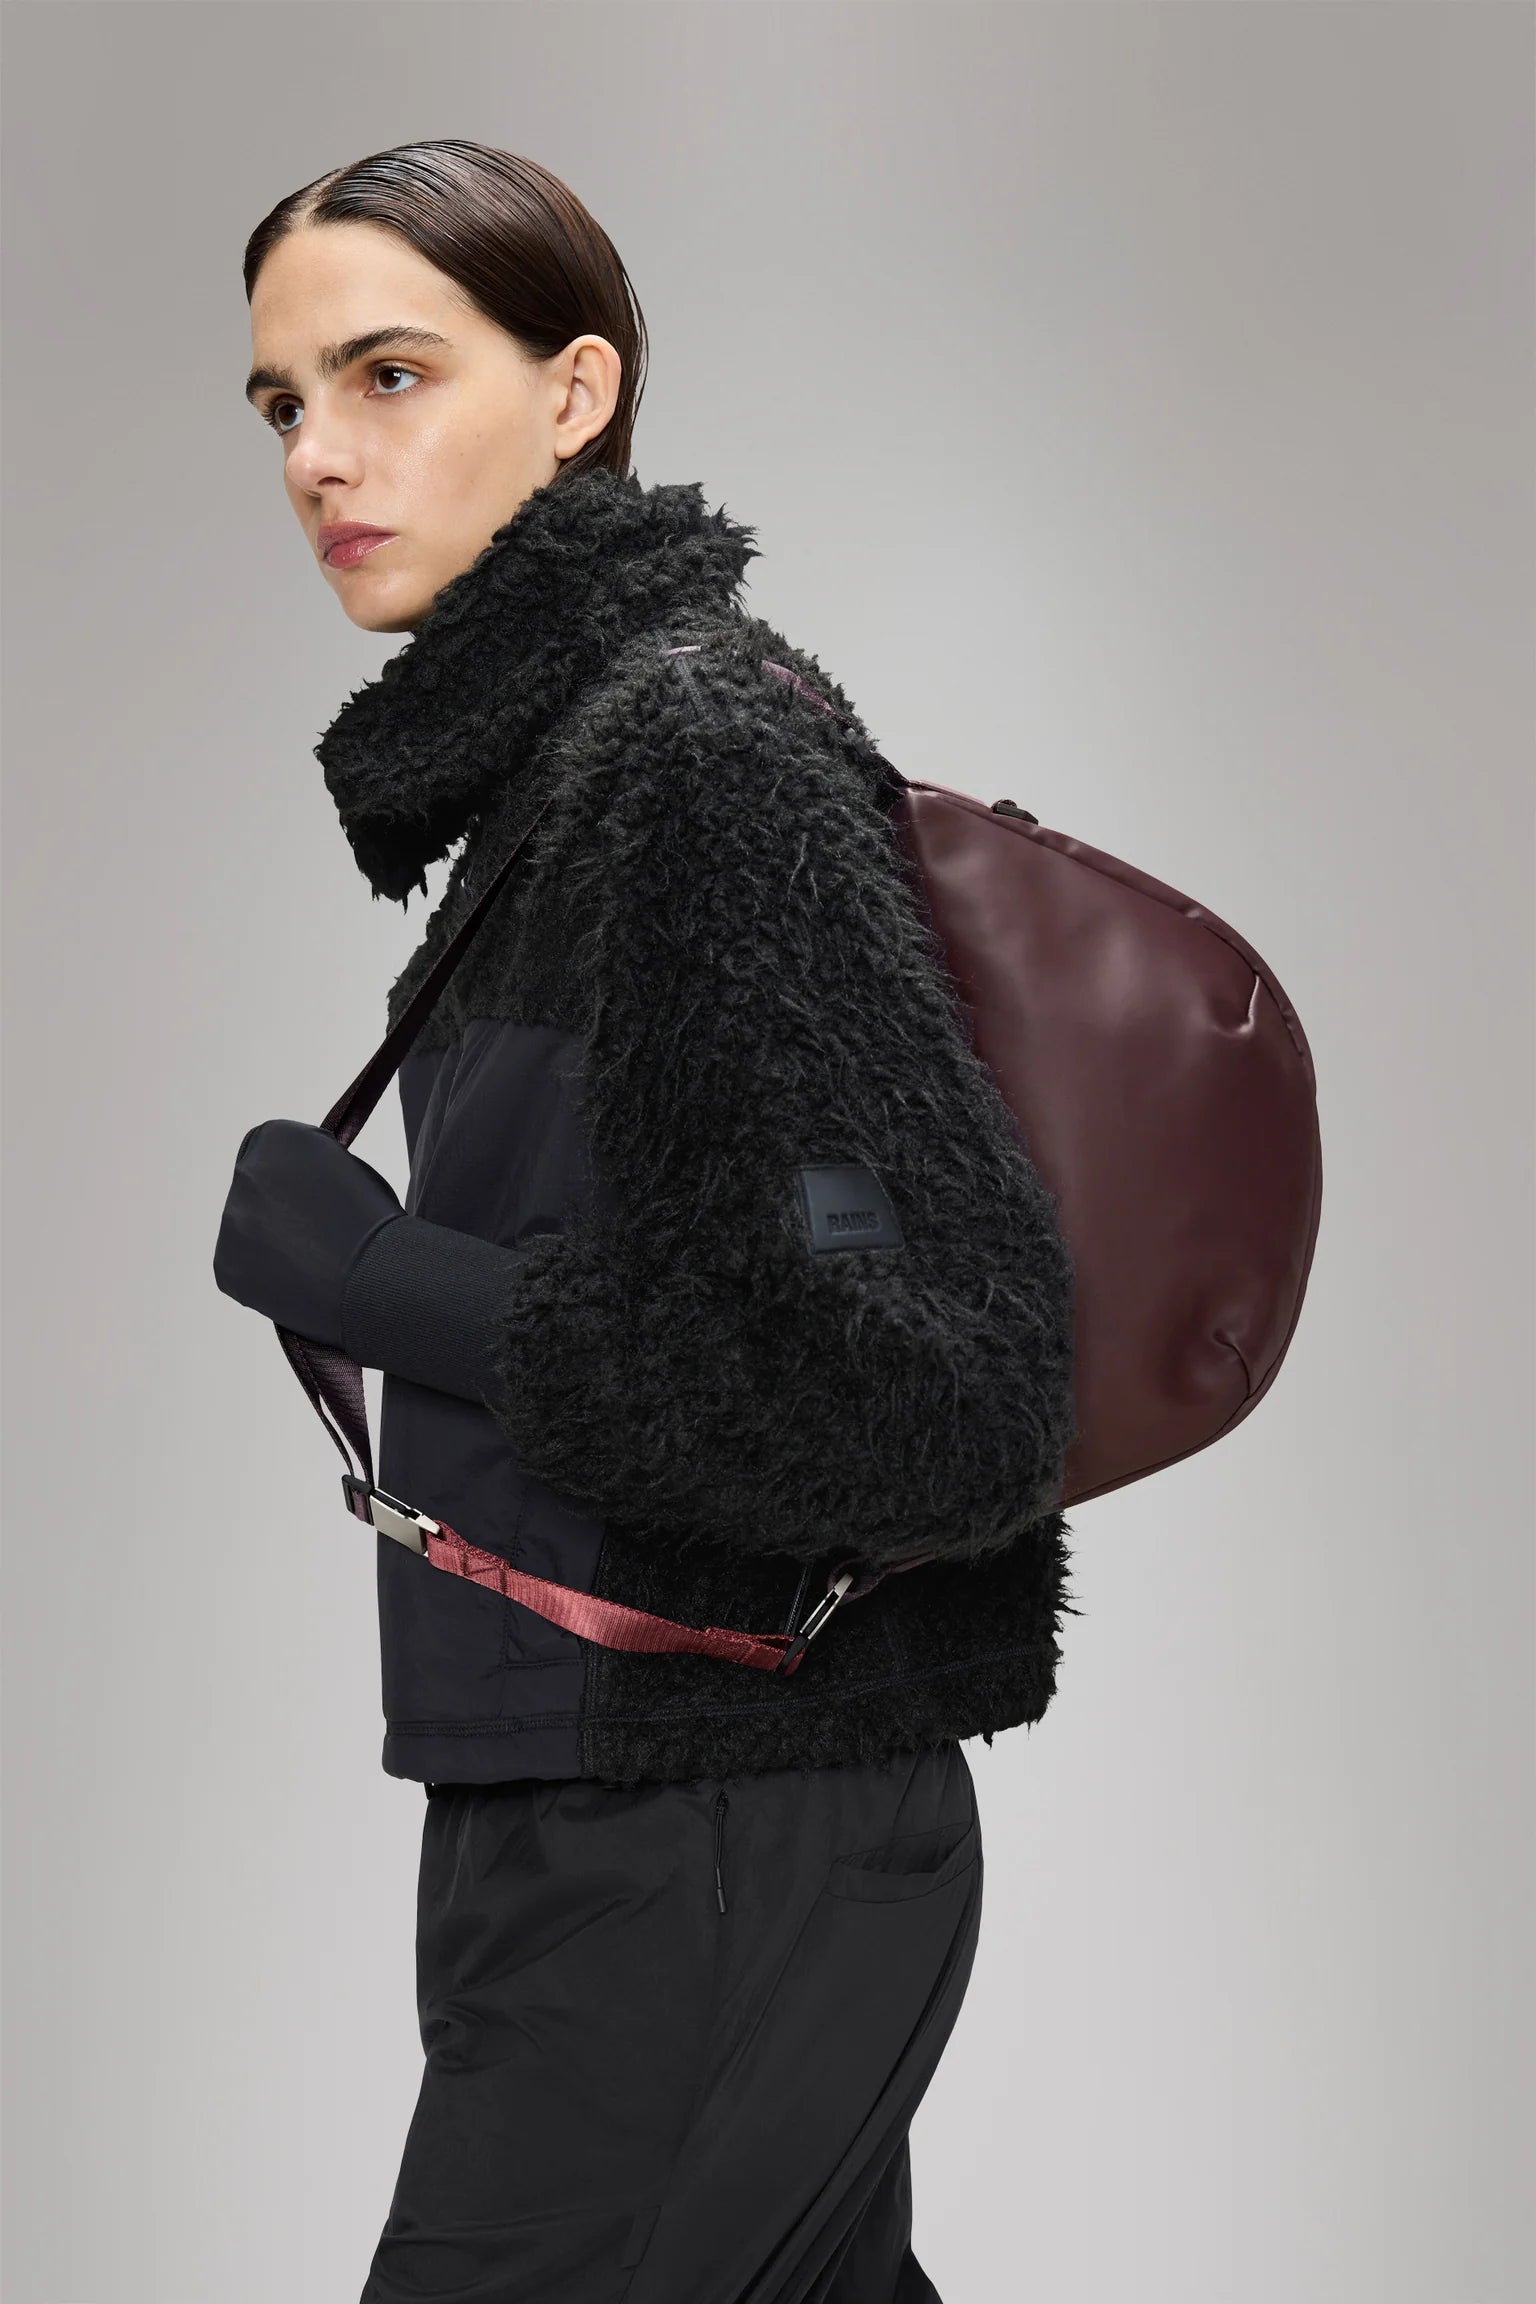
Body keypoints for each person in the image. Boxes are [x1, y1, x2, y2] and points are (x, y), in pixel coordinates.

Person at [214, 139, 1079, 2304]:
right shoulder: (570, 776)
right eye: (284, 402)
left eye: (390, 374)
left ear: (577, 390)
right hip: (635, 1805)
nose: (319, 455)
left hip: (696, 1830)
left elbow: (937, 1402)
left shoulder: (691, 756)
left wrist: (377, 1280)